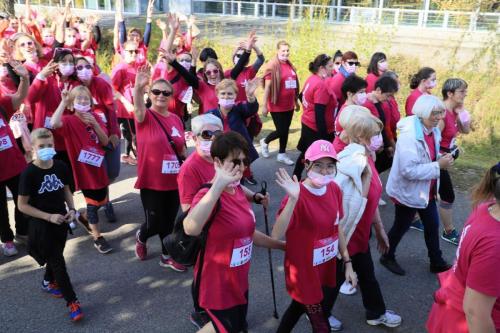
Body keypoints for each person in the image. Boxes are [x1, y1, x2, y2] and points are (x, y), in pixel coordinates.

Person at [183, 131, 284, 333]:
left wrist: (283, 246)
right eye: (235, 162)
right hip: (217, 284)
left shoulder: (236, 189)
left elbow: (248, 234)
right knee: (225, 328)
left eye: (244, 161)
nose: (242, 167)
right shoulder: (208, 195)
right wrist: (217, 186)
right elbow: (190, 228)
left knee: (236, 326)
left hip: (238, 279)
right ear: (218, 162)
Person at [327, 107, 401, 330]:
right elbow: (346, 204)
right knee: (336, 276)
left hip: (360, 231)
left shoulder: (363, 152)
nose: (378, 138)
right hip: (346, 232)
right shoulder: (346, 159)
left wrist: (378, 228)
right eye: (374, 134)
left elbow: (370, 198)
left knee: (364, 274)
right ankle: (319, 314)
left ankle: (375, 312)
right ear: (359, 135)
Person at [272, 140, 357, 333]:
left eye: (330, 166)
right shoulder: (296, 195)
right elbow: (276, 234)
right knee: (320, 322)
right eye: (318, 165)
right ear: (306, 164)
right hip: (303, 271)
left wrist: (348, 262)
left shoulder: (334, 189)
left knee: (299, 306)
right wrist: (293, 200)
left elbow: (338, 228)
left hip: (326, 264)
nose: (325, 171)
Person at [380, 94, 453, 276]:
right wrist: (438, 166)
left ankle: (436, 261)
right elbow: (408, 171)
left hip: (424, 190)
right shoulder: (409, 137)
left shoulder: (432, 130)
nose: (438, 118)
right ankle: (387, 256)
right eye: (434, 114)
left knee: (432, 224)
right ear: (422, 113)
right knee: (401, 226)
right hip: (408, 191)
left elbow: (428, 156)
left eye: (440, 113)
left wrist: (442, 158)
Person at [17, 128, 83, 322]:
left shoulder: (61, 166)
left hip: (61, 221)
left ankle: (47, 281)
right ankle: (73, 302)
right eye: (41, 146)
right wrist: (48, 217)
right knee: (58, 262)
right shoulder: (29, 173)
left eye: (50, 145)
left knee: (56, 255)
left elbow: (66, 189)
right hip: (42, 224)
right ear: (33, 148)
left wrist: (72, 209)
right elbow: (22, 206)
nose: (46, 149)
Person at [426, 162, 500, 333]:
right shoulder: (495, 246)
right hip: (466, 323)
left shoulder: (487, 208)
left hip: (454, 307)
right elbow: (476, 313)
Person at [132, 65, 187, 272]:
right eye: (156, 92)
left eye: (166, 93)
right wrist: (138, 88)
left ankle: (166, 256)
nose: (161, 95)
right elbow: (137, 109)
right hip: (151, 180)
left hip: (173, 180)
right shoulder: (145, 116)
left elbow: (181, 149)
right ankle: (142, 236)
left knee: (169, 221)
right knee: (153, 223)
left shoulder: (175, 119)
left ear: (171, 96)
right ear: (150, 94)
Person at [51, 85, 113, 254]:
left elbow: (105, 141)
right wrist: (63, 103)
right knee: (93, 203)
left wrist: (95, 125)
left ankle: (83, 217)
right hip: (83, 169)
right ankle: (97, 237)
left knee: (102, 200)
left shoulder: (96, 117)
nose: (83, 101)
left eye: (86, 98)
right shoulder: (69, 120)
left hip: (98, 166)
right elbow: (54, 123)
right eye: (79, 99)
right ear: (72, 103)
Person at [75, 56, 120, 222]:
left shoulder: (101, 84)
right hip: (88, 139)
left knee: (112, 172)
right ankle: (101, 204)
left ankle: (104, 198)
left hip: (108, 134)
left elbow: (111, 110)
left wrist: (114, 132)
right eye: (78, 67)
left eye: (86, 66)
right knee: (96, 173)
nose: (83, 70)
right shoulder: (74, 87)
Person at [206, 78, 260, 185]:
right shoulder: (210, 114)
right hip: (221, 158)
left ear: (235, 96)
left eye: (230, 94)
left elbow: (251, 108)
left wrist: (250, 96)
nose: (226, 96)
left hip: (238, 158)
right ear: (217, 95)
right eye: (223, 93)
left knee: (238, 185)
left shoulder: (239, 109)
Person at [0, 60, 29, 256]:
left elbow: (19, 97)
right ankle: (7, 239)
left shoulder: (1, 103)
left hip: (14, 164)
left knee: (23, 199)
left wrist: (24, 78)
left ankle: (23, 233)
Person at [437, 78, 471, 246]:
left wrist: (463, 112)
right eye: (462, 91)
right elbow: (430, 141)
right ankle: (448, 231)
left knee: (427, 193)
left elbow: (466, 130)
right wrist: (440, 159)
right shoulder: (441, 114)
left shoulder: (455, 111)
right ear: (450, 93)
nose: (465, 94)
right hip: (438, 160)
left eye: (465, 91)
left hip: (446, 156)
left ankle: (412, 216)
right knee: (448, 196)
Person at [292, 54, 337, 180]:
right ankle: (313, 180)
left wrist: (307, 110)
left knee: (306, 153)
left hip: (308, 123)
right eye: (330, 66)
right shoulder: (320, 85)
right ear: (322, 68)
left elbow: (301, 96)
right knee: (315, 156)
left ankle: (295, 177)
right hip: (316, 129)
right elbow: (319, 113)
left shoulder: (312, 78)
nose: (332, 69)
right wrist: (323, 137)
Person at [260, 40, 299, 166]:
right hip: (276, 104)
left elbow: (293, 85)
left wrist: (296, 101)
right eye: (283, 50)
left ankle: (282, 154)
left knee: (285, 130)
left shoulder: (289, 64)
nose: (286, 53)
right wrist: (264, 105)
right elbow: (267, 87)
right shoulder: (272, 65)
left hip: (289, 104)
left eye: (287, 50)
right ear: (277, 51)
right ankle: (265, 141)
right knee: (281, 130)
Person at [362, 76, 399, 173]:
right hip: (373, 146)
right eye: (388, 95)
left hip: (381, 144)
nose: (389, 99)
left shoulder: (378, 102)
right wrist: (387, 145)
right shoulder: (368, 104)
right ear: (378, 90)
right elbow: (377, 127)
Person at [111, 40, 140, 166]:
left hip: (134, 106)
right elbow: (112, 89)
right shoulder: (120, 68)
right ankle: (132, 156)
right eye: (131, 51)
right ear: (123, 52)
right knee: (131, 134)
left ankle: (127, 155)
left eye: (136, 51)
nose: (134, 54)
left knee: (133, 132)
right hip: (124, 109)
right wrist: (125, 102)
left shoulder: (134, 66)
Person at [332, 74, 368, 153]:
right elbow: (355, 139)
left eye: (365, 91)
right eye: (361, 92)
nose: (364, 95)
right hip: (344, 151)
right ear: (349, 94)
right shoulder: (350, 113)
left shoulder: (351, 108)